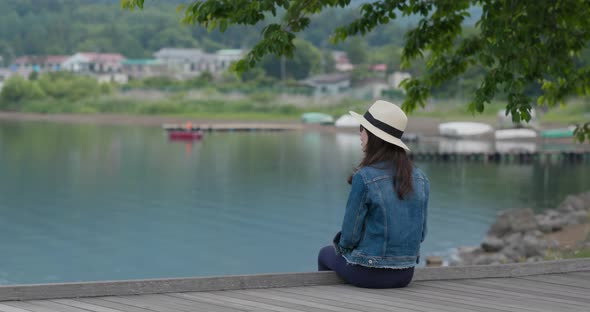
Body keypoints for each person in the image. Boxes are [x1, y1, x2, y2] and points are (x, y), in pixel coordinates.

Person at [318, 100, 429, 289]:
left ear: (373, 136)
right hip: (405, 274)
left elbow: (349, 238)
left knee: (325, 254)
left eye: (362, 128)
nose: (359, 134)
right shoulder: (420, 178)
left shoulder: (364, 177)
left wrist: (343, 249)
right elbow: (421, 234)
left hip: (369, 273)